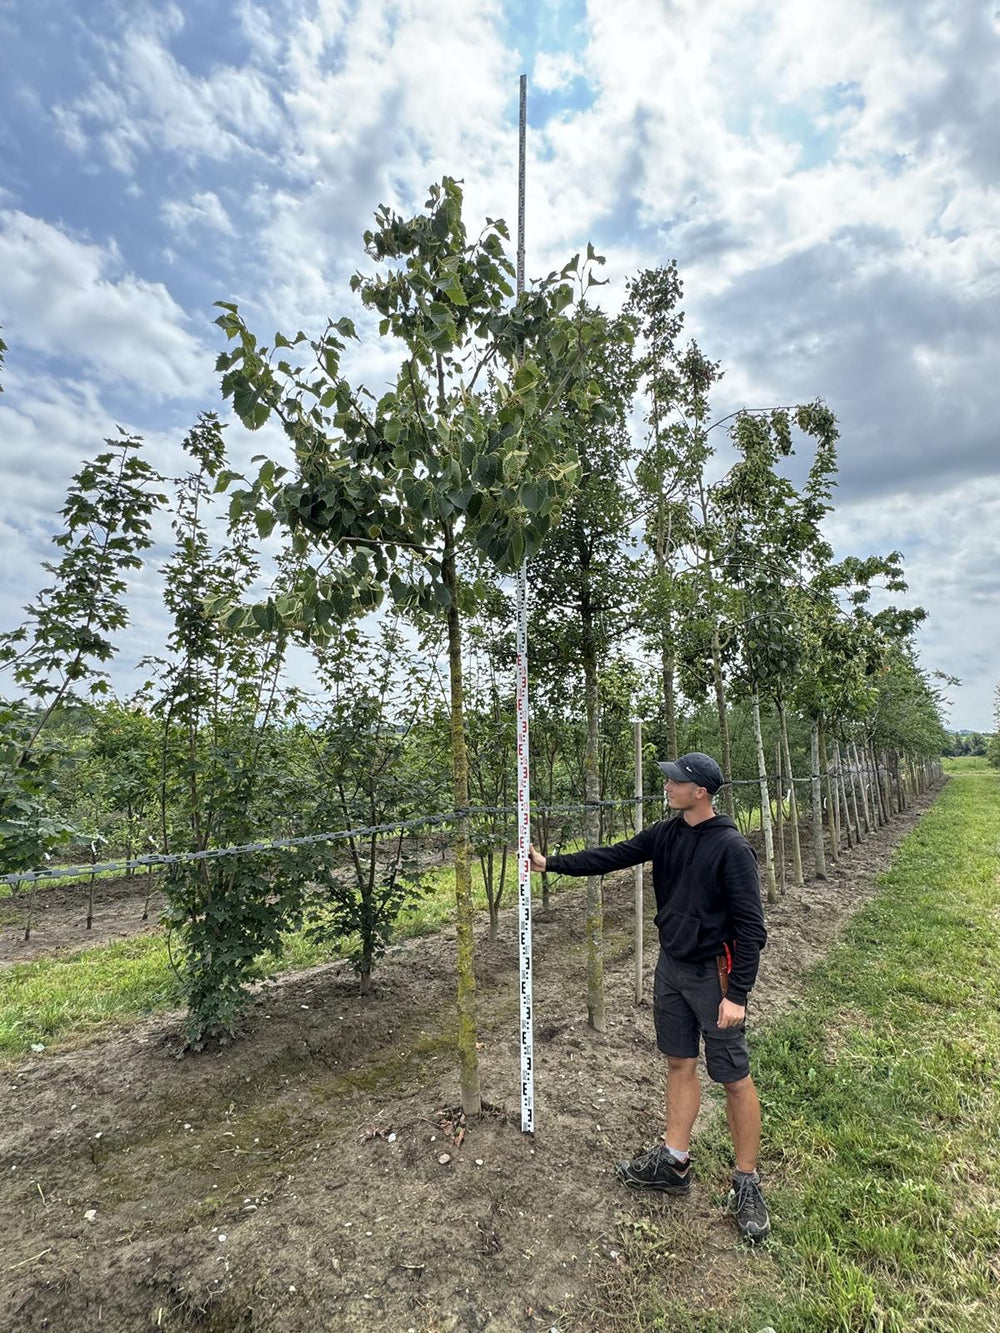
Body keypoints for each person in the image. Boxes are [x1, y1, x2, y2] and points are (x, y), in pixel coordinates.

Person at [528, 751, 771, 1243]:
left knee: (734, 1077)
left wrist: (737, 993)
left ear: (699, 790)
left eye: (675, 781)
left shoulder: (730, 847)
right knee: (679, 1063)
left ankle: (747, 1181)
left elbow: (752, 927)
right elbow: (613, 855)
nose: (667, 786)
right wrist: (549, 863)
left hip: (714, 977)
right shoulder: (666, 834)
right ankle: (674, 1162)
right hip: (671, 968)